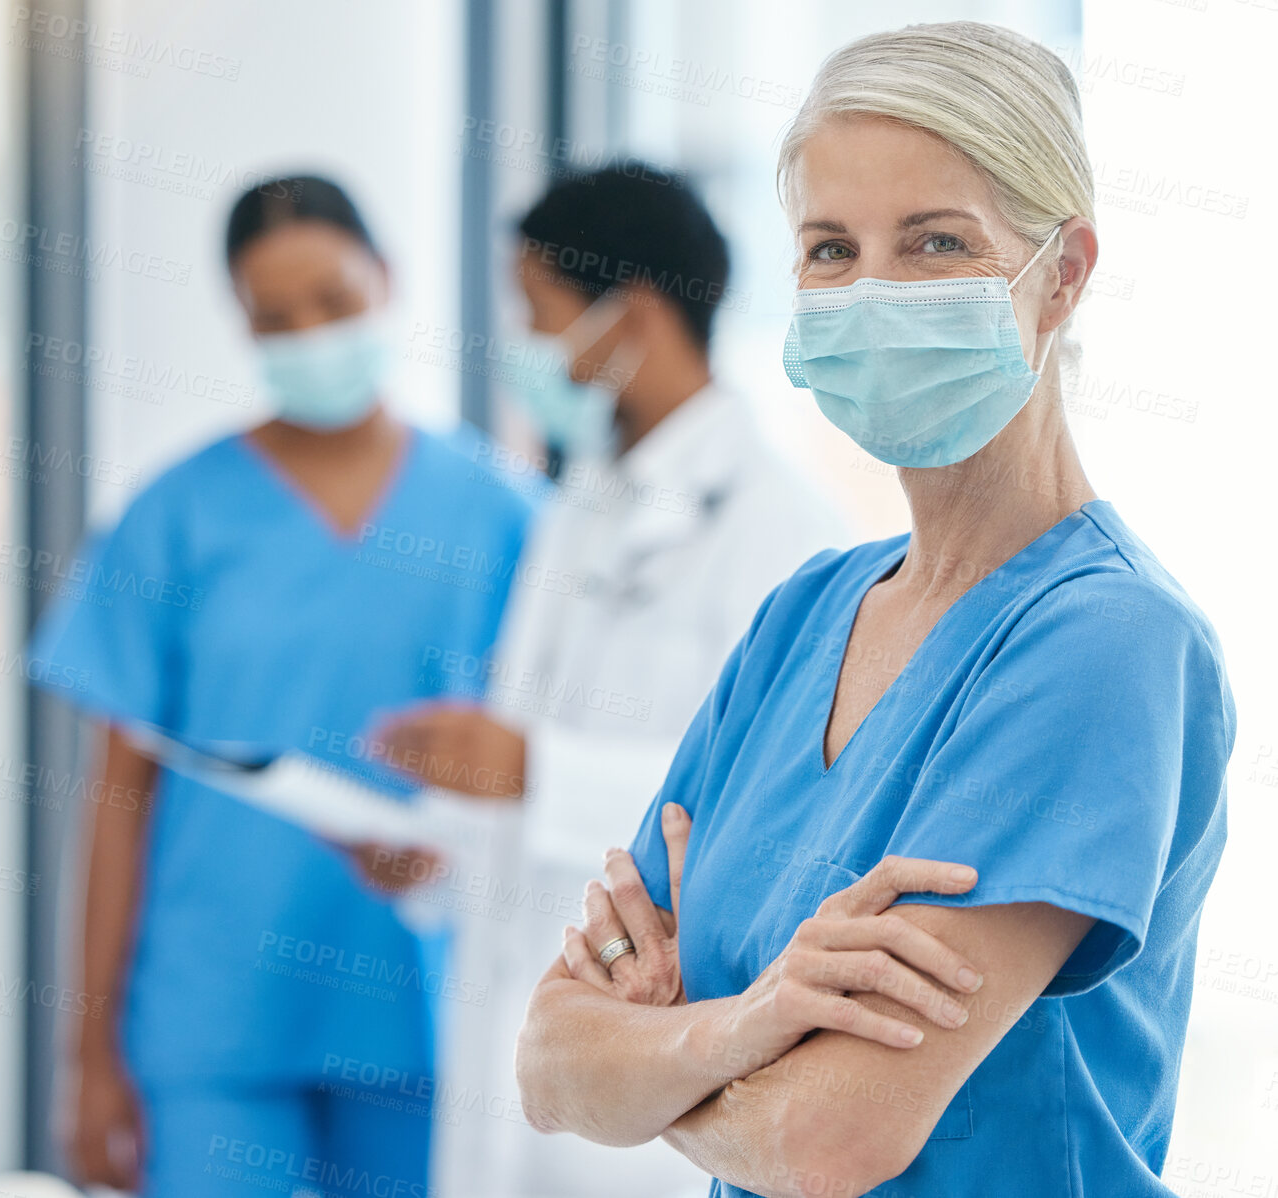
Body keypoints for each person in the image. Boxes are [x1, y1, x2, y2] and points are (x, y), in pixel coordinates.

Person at [515, 22, 1234, 1198]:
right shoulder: (803, 615)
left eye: (935, 242)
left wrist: (659, 1063)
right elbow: (548, 1065)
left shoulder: (1104, 645)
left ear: (1061, 272)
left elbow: (829, 1141)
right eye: (832, 249)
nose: (872, 291)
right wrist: (755, 1022)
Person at [28, 174, 537, 1198]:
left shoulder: (504, 515)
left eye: (335, 302)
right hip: (214, 1016)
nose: (309, 333)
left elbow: (537, 771)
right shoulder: (174, 517)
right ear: (240, 322)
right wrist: (86, 1056)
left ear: (387, 280)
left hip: (422, 1009)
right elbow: (117, 802)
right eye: (275, 316)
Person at [376, 163, 846, 1198]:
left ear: (626, 315)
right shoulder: (578, 505)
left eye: (539, 316)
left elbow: (775, 814)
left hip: (651, 1073)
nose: (525, 351)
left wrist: (531, 773)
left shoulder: (782, 533)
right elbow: (529, 777)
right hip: (521, 1047)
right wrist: (435, 852)